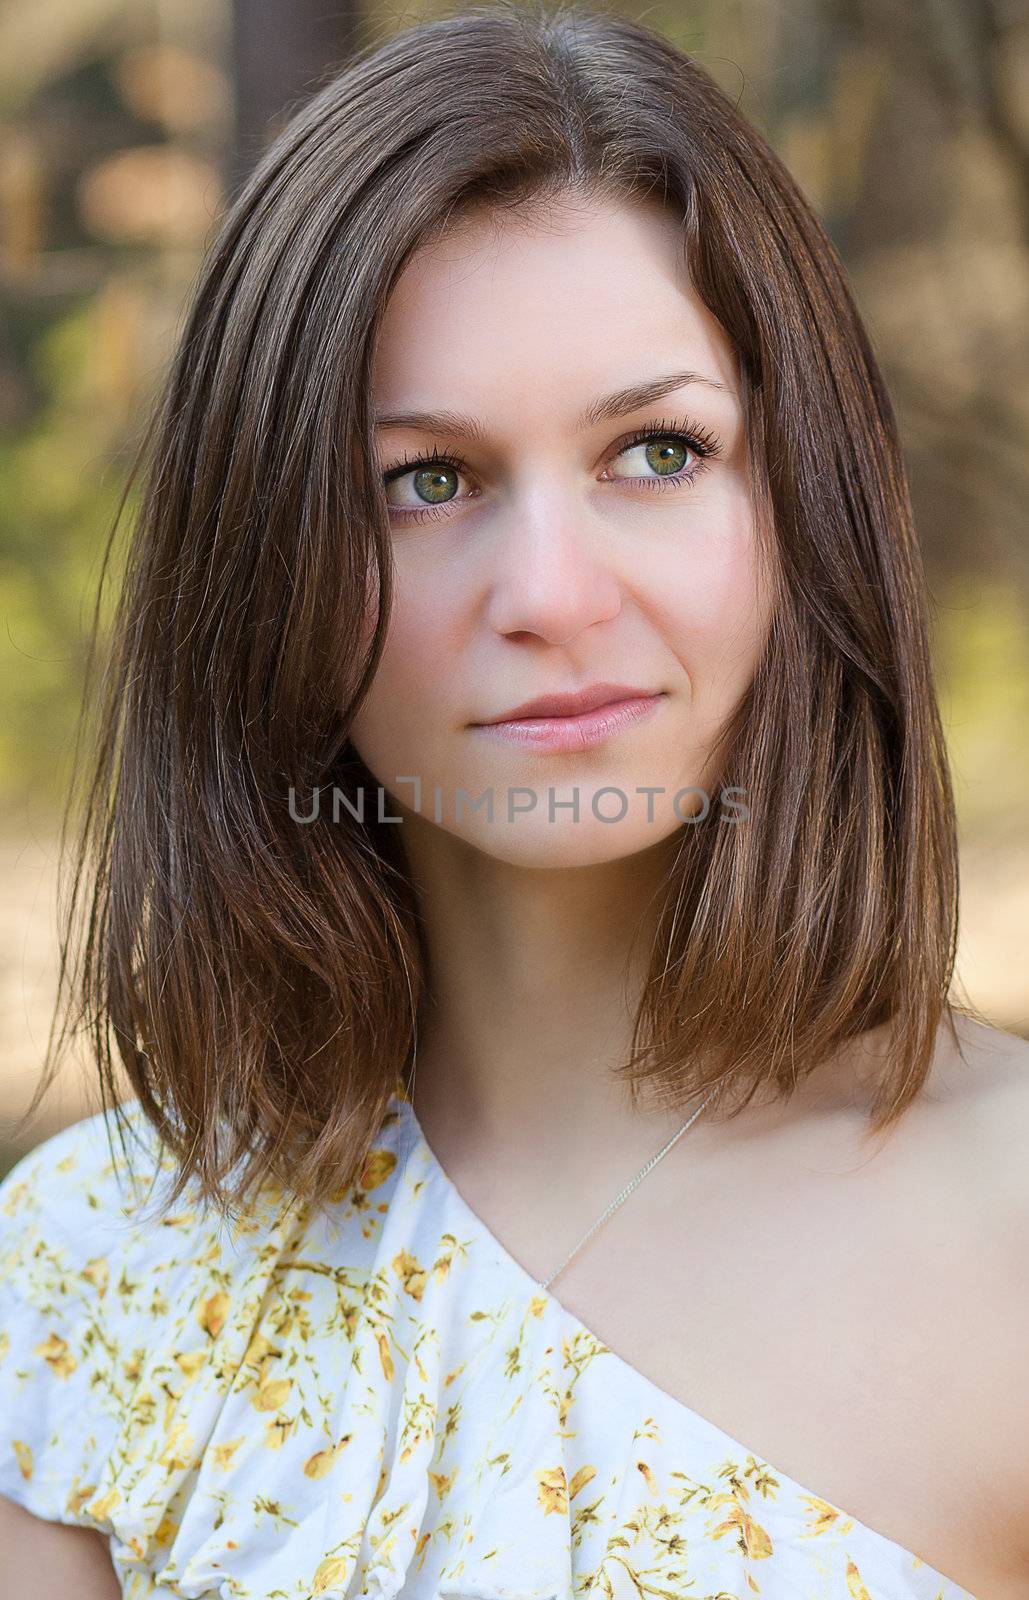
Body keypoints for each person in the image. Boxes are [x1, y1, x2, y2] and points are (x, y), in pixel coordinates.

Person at [1, 3, 1026, 1596]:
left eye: (658, 453)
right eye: (425, 480)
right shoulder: (89, 1276)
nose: (548, 592)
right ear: (263, 570)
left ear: (806, 499)